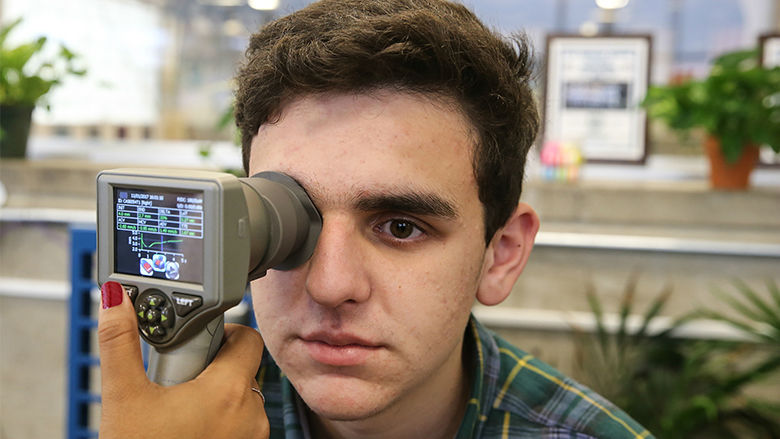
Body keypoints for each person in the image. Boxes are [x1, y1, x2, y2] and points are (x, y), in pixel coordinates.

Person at [97, 1, 653, 438]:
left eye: (401, 226)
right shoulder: (186, 420)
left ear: (500, 253)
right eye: (291, 223)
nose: (331, 284)